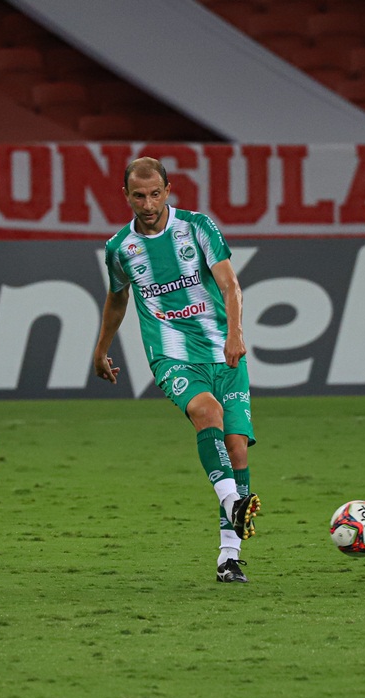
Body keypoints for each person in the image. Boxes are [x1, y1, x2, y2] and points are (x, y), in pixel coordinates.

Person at [93, 157, 261, 583]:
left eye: (154, 194)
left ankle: (229, 558)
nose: (147, 204)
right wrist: (101, 350)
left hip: (223, 350)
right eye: (138, 195)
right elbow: (117, 300)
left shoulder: (197, 227)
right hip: (171, 355)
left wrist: (235, 334)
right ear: (125, 196)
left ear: (167, 191)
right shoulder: (119, 249)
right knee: (207, 413)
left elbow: (229, 284)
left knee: (237, 447)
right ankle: (232, 501)